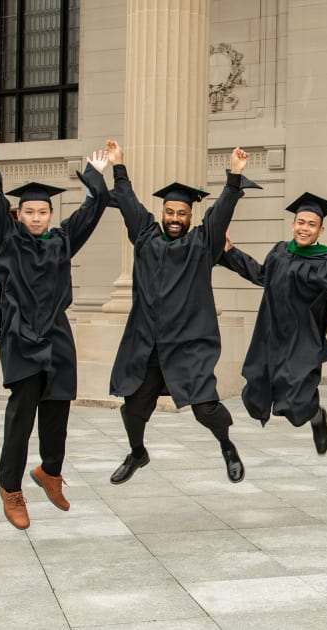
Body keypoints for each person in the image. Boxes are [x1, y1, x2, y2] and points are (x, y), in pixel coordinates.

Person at [0, 120, 110, 529]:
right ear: (21, 214)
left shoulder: (61, 241)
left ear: (51, 214)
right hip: (20, 336)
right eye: (29, 211)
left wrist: (96, 176)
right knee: (22, 414)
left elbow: (91, 213)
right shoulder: (7, 239)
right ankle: (10, 489)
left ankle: (50, 472)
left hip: (56, 335)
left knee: (58, 409)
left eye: (43, 211)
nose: (36, 217)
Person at [106, 141, 255, 485]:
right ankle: (137, 453)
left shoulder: (203, 245)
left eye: (182, 213)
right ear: (163, 214)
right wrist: (118, 166)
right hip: (147, 345)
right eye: (170, 212)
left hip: (188, 346)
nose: (175, 218)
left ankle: (227, 446)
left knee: (206, 410)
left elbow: (221, 213)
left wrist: (234, 176)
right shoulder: (144, 237)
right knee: (133, 408)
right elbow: (128, 203)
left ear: (191, 216)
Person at [219, 192, 327, 454]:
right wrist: (231, 252)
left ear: (321, 230)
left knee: (297, 398)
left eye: (311, 224)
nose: (304, 228)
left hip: (303, 338)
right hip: (272, 333)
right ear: (293, 225)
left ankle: (317, 418)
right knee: (258, 386)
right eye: (301, 222)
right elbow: (260, 274)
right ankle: (304, 411)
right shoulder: (280, 252)